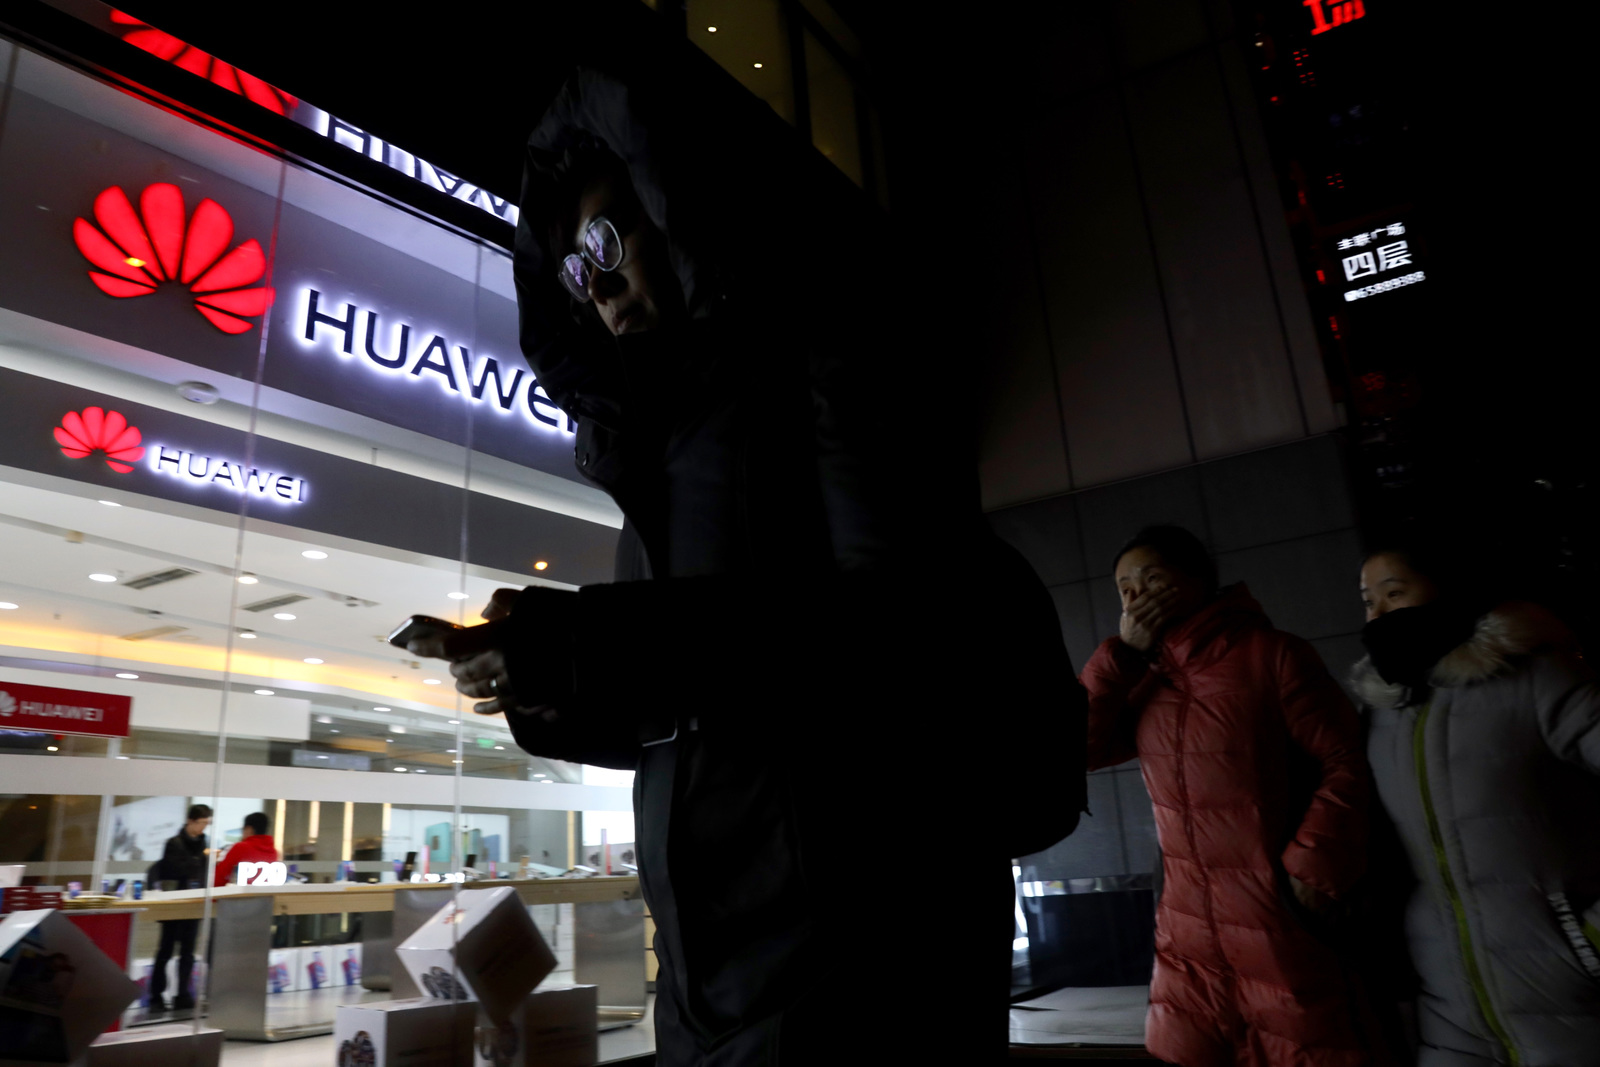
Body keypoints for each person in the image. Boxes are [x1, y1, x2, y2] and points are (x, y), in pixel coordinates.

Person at [406, 67, 1088, 1064]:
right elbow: (695, 718)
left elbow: (881, 632)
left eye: (607, 242)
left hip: (860, 958)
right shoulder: (653, 462)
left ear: (682, 216)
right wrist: (547, 675)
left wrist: (584, 641)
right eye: (572, 270)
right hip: (707, 976)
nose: (595, 284)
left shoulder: (829, 368)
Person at [1081, 525, 1377, 1067]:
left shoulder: (1272, 655)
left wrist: (1311, 872)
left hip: (1277, 916)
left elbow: (1346, 760)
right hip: (1186, 930)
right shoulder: (1144, 682)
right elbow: (1077, 751)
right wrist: (1120, 657)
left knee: (1305, 1045)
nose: (1137, 598)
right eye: (1124, 589)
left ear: (1198, 581)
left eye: (1151, 580)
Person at [1353, 542, 1600, 1066]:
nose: (1378, 614)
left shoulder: (1536, 677)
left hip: (1569, 996)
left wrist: (1592, 938)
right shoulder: (1381, 715)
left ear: (1446, 589)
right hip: (1447, 1010)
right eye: (1368, 601)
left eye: (1394, 593)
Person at [149, 803, 209, 1012]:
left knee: (188, 953)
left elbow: (202, 872)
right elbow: (173, 869)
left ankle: (182, 994)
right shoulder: (174, 843)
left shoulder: (204, 845)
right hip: (174, 904)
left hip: (193, 903)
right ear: (190, 821)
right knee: (165, 950)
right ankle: (156, 995)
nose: (203, 827)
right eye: (201, 823)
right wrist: (196, 861)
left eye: (207, 823)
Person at [212, 812, 278, 887]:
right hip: (265, 894)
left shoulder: (240, 847)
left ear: (249, 829)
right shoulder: (273, 852)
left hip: (240, 894)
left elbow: (219, 877)